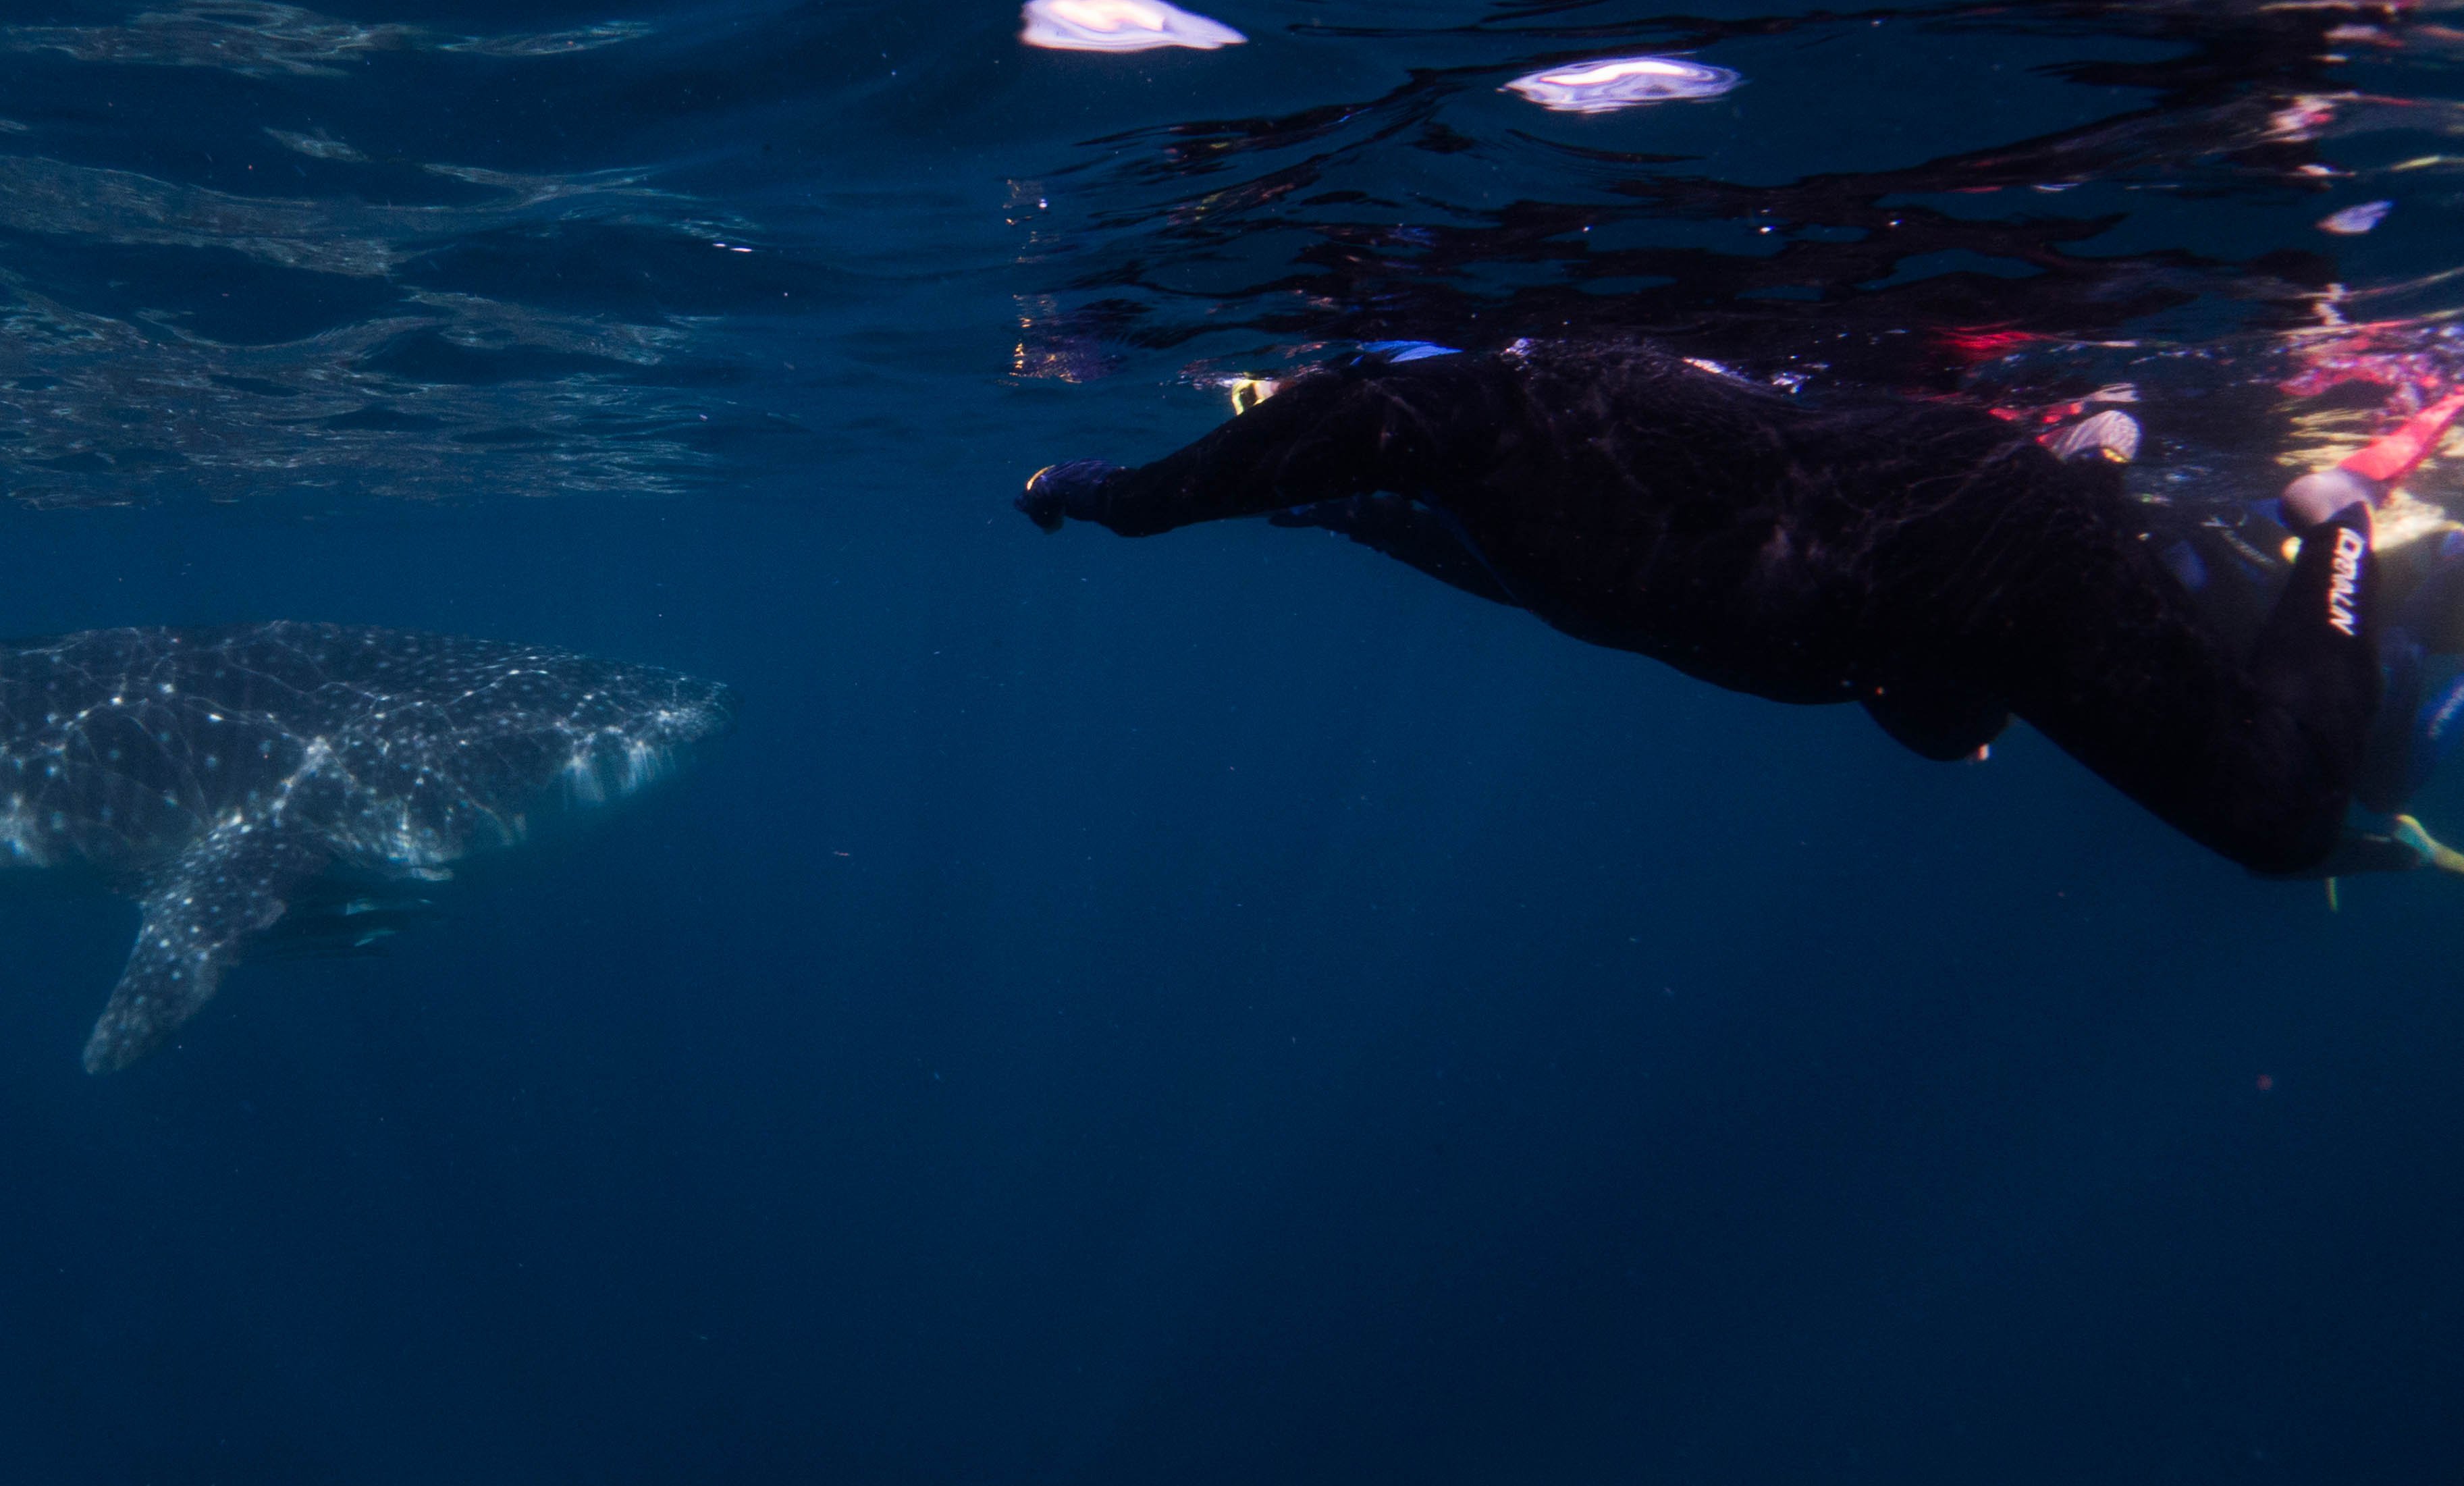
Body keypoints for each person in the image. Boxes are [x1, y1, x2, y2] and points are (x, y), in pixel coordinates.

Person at [1014, 337, 2464, 880]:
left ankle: (2331, 515)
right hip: (1914, 562)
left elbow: (1346, 430)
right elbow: (1361, 475)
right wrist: (1150, 493)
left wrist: (1111, 493)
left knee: (2281, 815)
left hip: (1964, 543)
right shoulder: (1507, 494)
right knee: (1959, 719)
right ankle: (2105, 460)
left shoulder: (1493, 423)